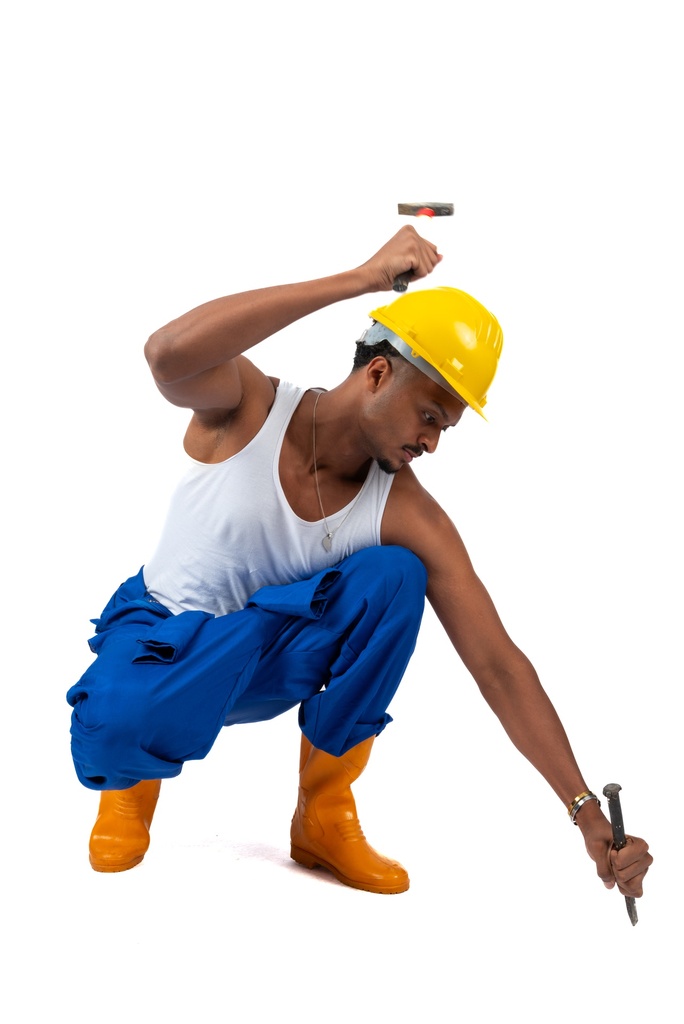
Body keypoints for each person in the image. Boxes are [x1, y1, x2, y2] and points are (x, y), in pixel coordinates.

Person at [67, 225, 652, 898]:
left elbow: (498, 662)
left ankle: (323, 813)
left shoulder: (406, 512)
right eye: (430, 416)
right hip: (162, 652)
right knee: (111, 729)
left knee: (396, 576)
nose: (432, 442)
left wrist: (581, 811)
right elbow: (168, 353)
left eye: (445, 429)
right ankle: (133, 784)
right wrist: (362, 279)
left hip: (264, 659)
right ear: (377, 372)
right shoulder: (246, 407)